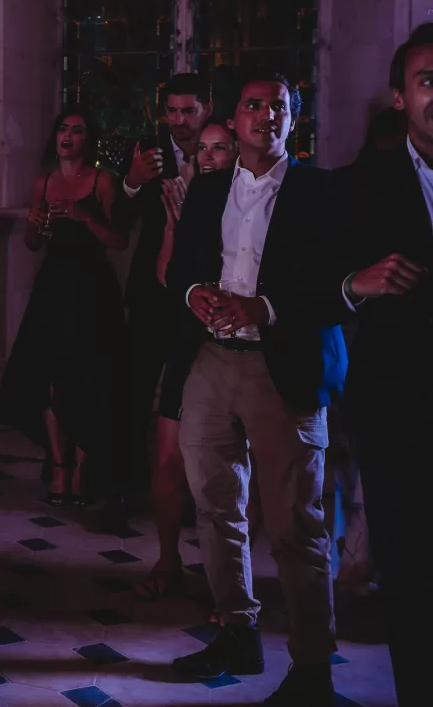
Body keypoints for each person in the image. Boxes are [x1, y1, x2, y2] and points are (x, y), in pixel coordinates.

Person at [165, 74, 345, 705]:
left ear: (293, 121)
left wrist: (262, 308)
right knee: (215, 506)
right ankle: (237, 630)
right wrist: (197, 296)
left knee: (298, 523)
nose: (266, 115)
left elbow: (334, 285)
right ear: (233, 119)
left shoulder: (318, 192)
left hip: (283, 365)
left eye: (279, 107)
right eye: (253, 105)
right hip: (212, 362)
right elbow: (181, 270)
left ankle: (313, 667)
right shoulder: (208, 188)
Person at [323, 23, 433, 705]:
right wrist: (350, 285)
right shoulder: (364, 185)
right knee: (414, 582)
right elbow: (309, 278)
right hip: (403, 417)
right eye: (428, 82)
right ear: (401, 98)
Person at [0, 108, 126, 505]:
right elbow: (35, 243)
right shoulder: (44, 182)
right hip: (53, 286)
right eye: (64, 129)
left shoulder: (103, 180)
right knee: (49, 377)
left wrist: (85, 216)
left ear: (89, 139)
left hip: (92, 288)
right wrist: (35, 223)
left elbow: (117, 239)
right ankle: (59, 463)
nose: (69, 135)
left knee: (87, 377)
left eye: (78, 130)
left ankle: (84, 468)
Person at [134, 120, 236, 602]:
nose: (210, 158)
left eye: (220, 149)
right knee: (167, 452)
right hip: (187, 336)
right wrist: (176, 224)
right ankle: (168, 557)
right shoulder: (186, 202)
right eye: (203, 152)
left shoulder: (249, 201)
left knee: (234, 467)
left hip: (239, 338)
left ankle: (236, 581)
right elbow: (164, 276)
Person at [106, 74, 211, 530]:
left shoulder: (218, 149)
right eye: (171, 111)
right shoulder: (147, 151)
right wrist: (130, 183)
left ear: (206, 109)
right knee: (131, 389)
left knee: (196, 396)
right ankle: (121, 490)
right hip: (151, 292)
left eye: (188, 110)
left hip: (204, 293)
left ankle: (194, 493)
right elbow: (121, 222)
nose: (179, 120)